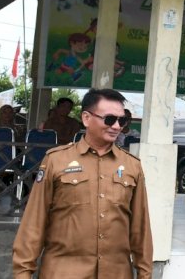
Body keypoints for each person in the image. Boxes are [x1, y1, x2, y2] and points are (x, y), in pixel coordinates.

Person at [12, 88, 152, 278]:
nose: (117, 126)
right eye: (109, 119)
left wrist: (145, 274)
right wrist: (23, 273)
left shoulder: (132, 166)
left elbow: (140, 228)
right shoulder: (56, 160)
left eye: (122, 120)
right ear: (86, 118)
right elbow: (34, 222)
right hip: (63, 273)